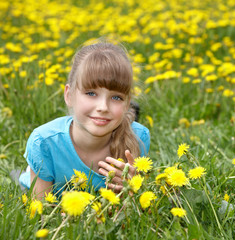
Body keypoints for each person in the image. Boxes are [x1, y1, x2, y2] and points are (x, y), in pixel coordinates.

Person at [18, 41, 150, 199]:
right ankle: (26, 172)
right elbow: (39, 212)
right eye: (91, 93)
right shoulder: (44, 143)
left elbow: (136, 212)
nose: (103, 107)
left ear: (127, 103)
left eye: (116, 97)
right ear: (69, 95)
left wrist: (132, 190)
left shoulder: (138, 138)